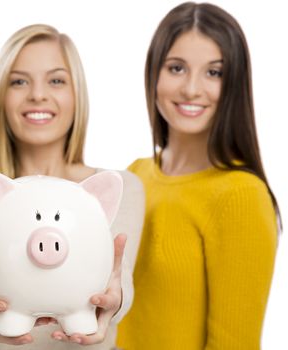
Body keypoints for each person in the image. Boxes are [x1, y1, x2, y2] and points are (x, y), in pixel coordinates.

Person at [0, 24, 144, 349]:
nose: (37, 94)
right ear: (0, 95)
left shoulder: (118, 187)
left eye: (56, 80)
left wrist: (112, 301)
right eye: (18, 81)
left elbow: (121, 282)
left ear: (77, 95)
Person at [116, 2, 281, 349]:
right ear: (153, 72)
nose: (192, 89)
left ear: (234, 84)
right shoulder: (135, 175)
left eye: (214, 73)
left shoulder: (240, 195)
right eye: (177, 68)